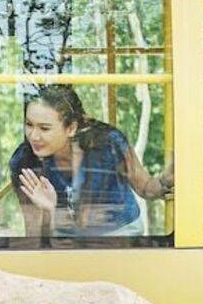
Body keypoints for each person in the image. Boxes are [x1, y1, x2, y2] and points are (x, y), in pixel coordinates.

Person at [10, 85, 173, 240]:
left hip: (121, 236)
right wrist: (47, 212)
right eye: (29, 125)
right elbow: (35, 239)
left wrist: (166, 181)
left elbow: (146, 188)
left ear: (71, 128)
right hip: (65, 242)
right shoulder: (24, 162)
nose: (33, 136)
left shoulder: (109, 142)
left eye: (44, 128)